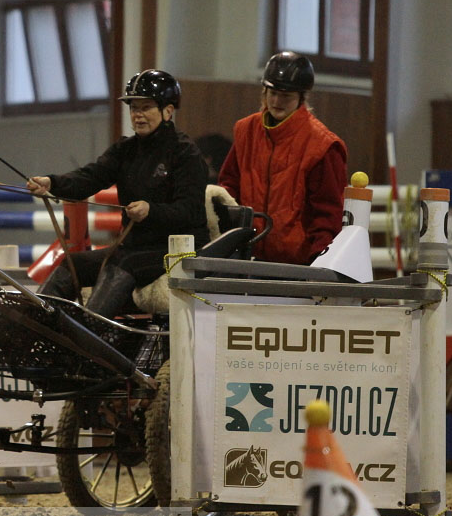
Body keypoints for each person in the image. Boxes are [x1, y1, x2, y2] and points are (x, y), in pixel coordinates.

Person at [26, 69, 209, 318]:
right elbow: (91, 176)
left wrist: (150, 210)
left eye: (146, 108)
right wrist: (52, 183)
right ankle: (35, 324)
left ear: (168, 111)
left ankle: (88, 335)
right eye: (134, 108)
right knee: (73, 263)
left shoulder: (186, 153)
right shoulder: (125, 149)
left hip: (177, 251)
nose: (138, 115)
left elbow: (189, 211)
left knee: (122, 263)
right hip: (134, 248)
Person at [218, 51, 347, 265]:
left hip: (298, 264)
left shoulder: (322, 145)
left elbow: (327, 214)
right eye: (272, 93)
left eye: (286, 95)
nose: (277, 101)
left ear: (301, 98)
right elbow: (228, 187)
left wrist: (320, 264)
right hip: (245, 256)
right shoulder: (245, 131)